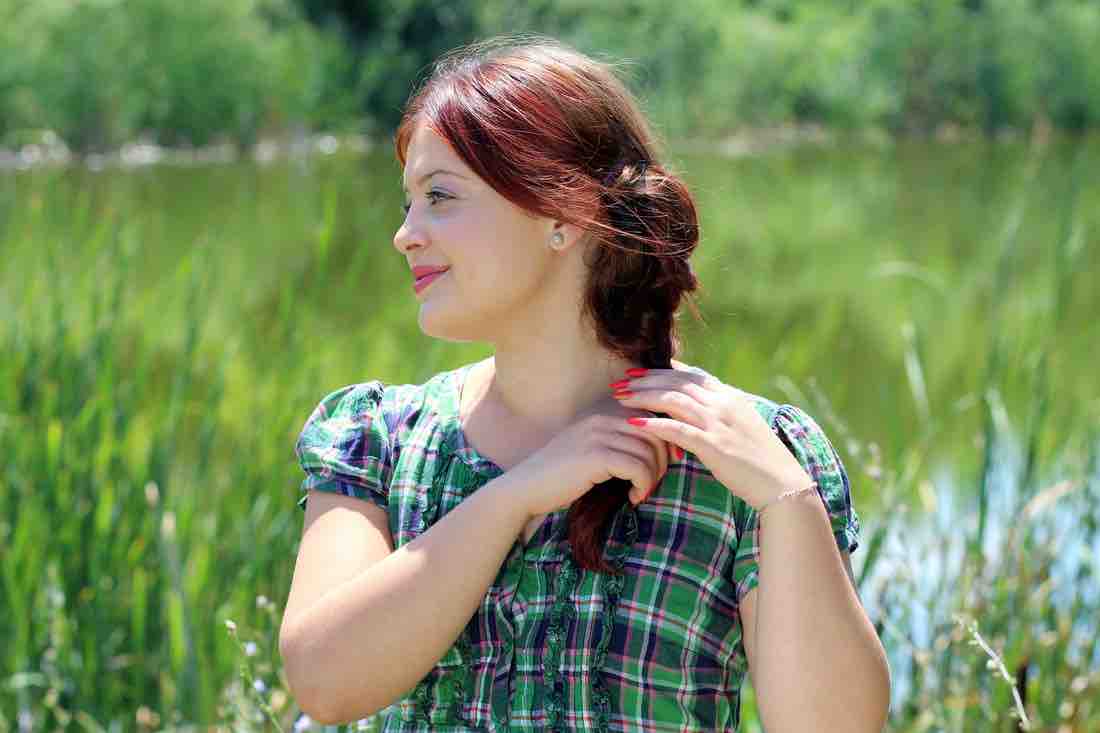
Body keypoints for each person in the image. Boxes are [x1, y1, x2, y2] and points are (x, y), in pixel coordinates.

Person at [279, 34, 890, 732]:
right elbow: (324, 682)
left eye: (439, 197)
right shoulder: (378, 438)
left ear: (563, 217)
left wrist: (787, 500)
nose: (405, 234)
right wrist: (516, 494)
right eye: (407, 202)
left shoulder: (745, 454)